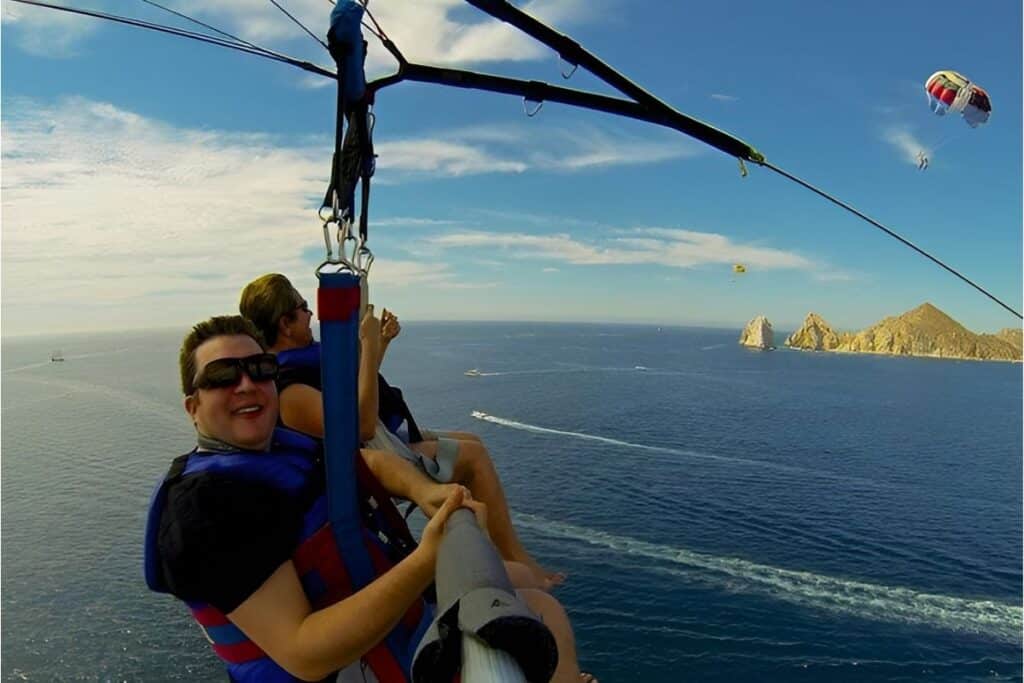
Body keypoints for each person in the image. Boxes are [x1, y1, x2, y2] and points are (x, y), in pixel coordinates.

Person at [143, 315, 592, 682]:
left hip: (372, 606)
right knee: (537, 616)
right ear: (192, 407)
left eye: (260, 370)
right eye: (223, 376)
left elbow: (365, 464)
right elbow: (304, 653)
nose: (246, 384)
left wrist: (426, 490)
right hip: (345, 667)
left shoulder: (282, 448)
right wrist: (426, 558)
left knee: (522, 586)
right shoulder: (203, 510)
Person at [239, 273, 563, 590]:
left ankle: (495, 545)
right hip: (364, 459)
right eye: (304, 307)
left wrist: (380, 344)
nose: (311, 314)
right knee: (473, 457)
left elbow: (358, 387)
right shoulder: (289, 389)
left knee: (472, 440)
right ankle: (516, 560)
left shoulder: (301, 364)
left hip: (379, 434)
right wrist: (366, 344)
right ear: (285, 322)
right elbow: (360, 426)